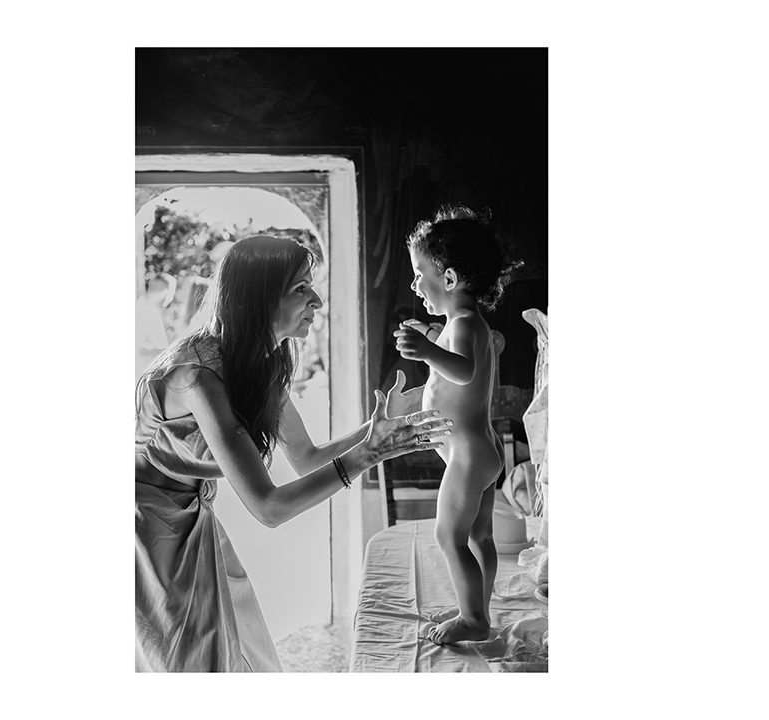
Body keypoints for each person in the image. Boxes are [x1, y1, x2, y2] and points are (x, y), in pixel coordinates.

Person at [136, 235, 453, 672]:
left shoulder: (262, 362)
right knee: (188, 662)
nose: (317, 301)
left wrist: (377, 429)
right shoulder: (197, 377)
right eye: (301, 288)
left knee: (241, 650)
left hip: (190, 516)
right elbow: (269, 507)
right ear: (258, 300)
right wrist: (367, 455)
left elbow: (306, 457)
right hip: (148, 532)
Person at [393, 205, 519, 645]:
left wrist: (428, 351)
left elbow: (463, 371)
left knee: (448, 536)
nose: (414, 285)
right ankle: (476, 607)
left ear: (448, 279)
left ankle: (474, 620)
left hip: (467, 455)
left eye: (418, 275)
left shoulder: (464, 324)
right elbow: (457, 365)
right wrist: (432, 339)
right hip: (480, 450)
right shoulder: (463, 323)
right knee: (479, 536)